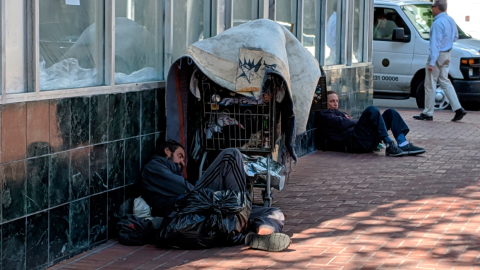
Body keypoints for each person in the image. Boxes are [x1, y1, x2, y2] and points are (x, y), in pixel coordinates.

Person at [140, 140, 291, 252]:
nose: (183, 162)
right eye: (180, 156)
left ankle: (262, 236)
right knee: (231, 155)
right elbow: (186, 190)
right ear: (167, 151)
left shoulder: (172, 170)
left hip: (201, 206)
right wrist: (221, 194)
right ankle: (239, 212)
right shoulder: (154, 167)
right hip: (188, 207)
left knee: (272, 212)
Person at [318, 91, 426, 157]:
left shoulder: (339, 112)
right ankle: (389, 143)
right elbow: (344, 123)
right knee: (371, 110)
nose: (335, 103)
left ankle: (402, 144)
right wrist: (357, 122)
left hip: (363, 141)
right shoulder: (324, 115)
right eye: (332, 101)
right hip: (353, 144)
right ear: (325, 103)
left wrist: (353, 121)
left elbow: (348, 122)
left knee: (390, 113)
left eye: (337, 100)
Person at [413, 0, 467, 122]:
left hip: (437, 55)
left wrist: (432, 63)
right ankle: (458, 108)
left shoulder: (437, 23)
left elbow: (435, 44)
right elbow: (455, 37)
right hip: (447, 54)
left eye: (432, 6)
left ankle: (428, 112)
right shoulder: (450, 20)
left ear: (437, 7)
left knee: (430, 83)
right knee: (445, 81)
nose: (431, 9)